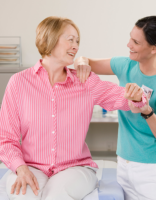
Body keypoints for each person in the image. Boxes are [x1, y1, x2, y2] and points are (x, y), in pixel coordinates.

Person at [0, 16, 144, 200]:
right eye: (70, 40)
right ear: (49, 39)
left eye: (77, 41)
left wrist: (137, 95)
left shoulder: (85, 81)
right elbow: (6, 139)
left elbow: (126, 100)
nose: (76, 46)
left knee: (56, 196)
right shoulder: (18, 83)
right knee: (22, 195)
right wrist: (21, 169)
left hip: (75, 169)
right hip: (31, 167)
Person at [74, 16, 156, 200]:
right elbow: (84, 60)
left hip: (153, 174)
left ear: (154, 48)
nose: (128, 45)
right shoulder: (126, 65)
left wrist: (146, 110)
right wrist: (80, 63)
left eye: (135, 42)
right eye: (130, 38)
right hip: (124, 168)